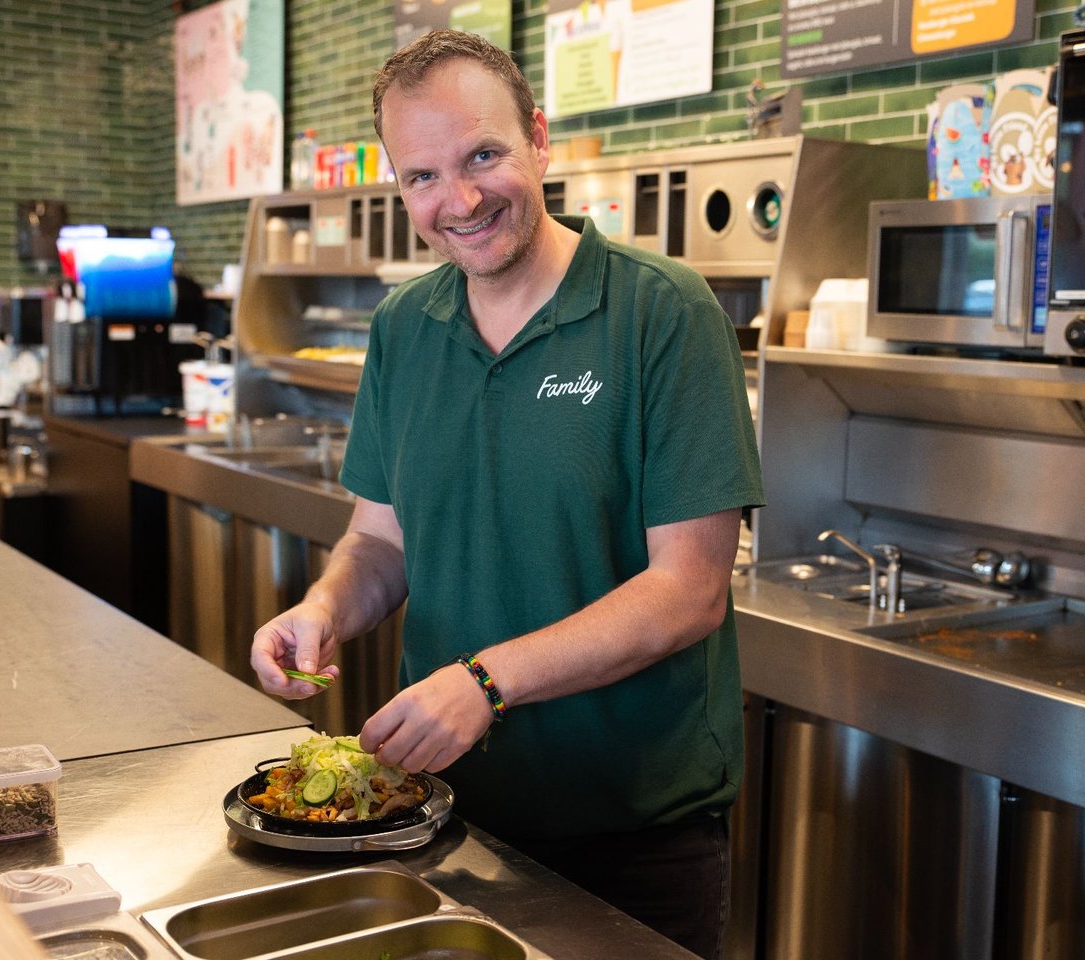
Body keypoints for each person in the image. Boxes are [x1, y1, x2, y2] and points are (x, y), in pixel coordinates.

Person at [250, 29, 762, 959]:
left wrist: (487, 682)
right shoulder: (405, 326)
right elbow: (381, 540)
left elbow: (687, 590)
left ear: (538, 137)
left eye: (482, 155)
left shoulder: (663, 312)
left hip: (631, 836)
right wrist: (322, 609)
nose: (461, 199)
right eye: (422, 178)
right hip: (440, 821)